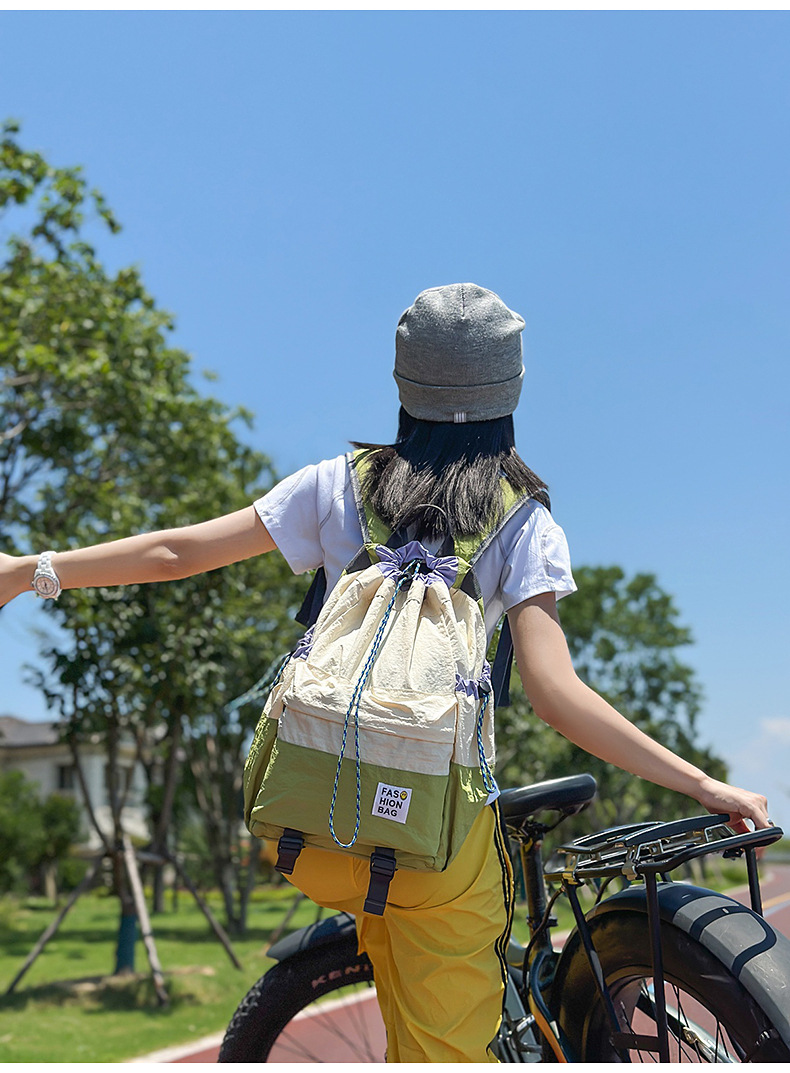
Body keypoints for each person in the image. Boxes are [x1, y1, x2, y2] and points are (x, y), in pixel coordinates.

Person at [0, 283, 770, 1063]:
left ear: (403, 380)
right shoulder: (523, 521)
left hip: (315, 826)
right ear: (512, 388)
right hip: (435, 843)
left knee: (400, 993)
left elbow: (178, 554)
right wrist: (703, 784)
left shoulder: (338, 483)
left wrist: (26, 570)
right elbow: (557, 694)